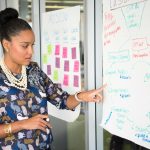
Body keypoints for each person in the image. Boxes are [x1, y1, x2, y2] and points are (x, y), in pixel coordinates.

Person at [0, 8, 105, 150]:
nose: (31, 52)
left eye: (32, 45)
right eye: (24, 46)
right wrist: (22, 124)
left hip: (44, 146)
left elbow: (62, 100)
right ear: (6, 45)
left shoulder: (34, 70)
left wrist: (82, 96)